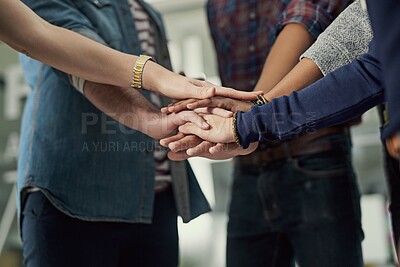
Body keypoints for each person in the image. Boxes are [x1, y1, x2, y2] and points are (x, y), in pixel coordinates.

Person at [14, 0, 261, 266]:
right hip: (73, 198)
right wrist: (152, 118)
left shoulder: (146, 10)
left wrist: (201, 124)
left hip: (155, 200)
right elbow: (76, 60)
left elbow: (161, 96)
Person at [166, 1, 363, 266]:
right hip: (247, 165)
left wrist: (253, 115)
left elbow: (306, 20)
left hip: (313, 155)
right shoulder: (216, 5)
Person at [0, 0, 259, 102]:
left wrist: (184, 95)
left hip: (160, 182)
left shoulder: (146, 10)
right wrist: (160, 80)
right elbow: (79, 65)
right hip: (79, 190)